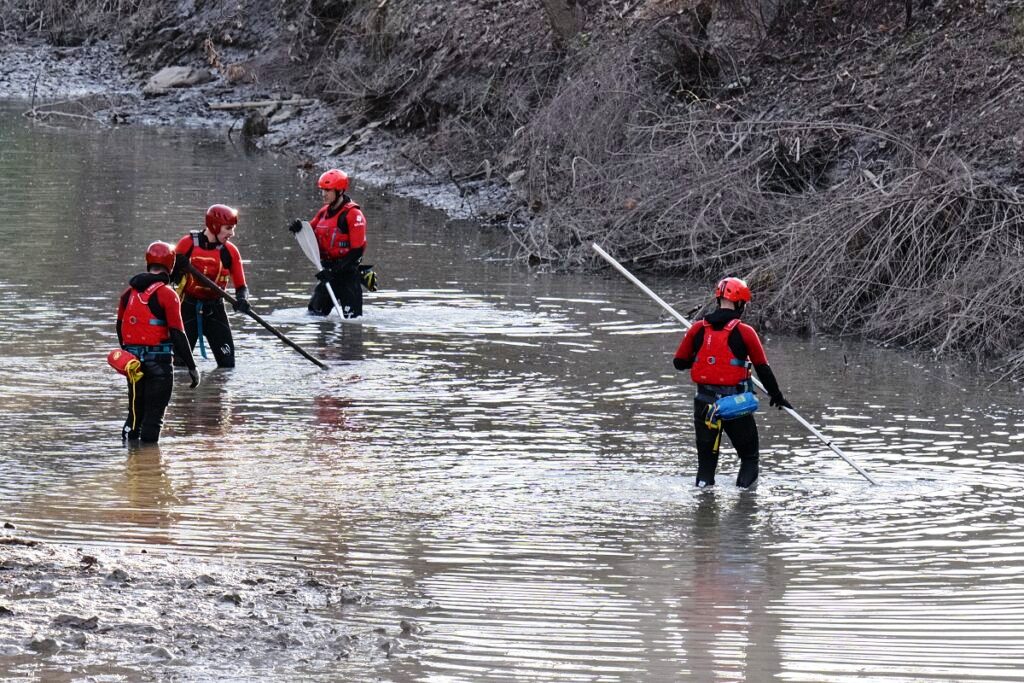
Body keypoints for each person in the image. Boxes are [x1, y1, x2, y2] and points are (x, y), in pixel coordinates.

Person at [672, 277, 792, 489]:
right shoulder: (745, 332)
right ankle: (745, 509)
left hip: (704, 404)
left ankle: (703, 507)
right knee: (749, 458)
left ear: (719, 300)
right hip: (735, 404)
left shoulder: (697, 329)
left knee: (706, 467)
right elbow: (763, 369)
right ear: (740, 304)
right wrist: (777, 396)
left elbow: (679, 363)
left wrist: (705, 358)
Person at [116, 241, 200, 443]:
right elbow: (178, 333)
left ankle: (129, 457)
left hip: (133, 366)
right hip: (159, 366)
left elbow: (120, 328)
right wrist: (192, 367)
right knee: (153, 420)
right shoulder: (167, 294)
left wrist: (129, 355)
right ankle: (147, 468)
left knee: (134, 416)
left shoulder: (128, 293)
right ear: (170, 265)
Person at [171, 204, 250, 367]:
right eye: (228, 228)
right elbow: (169, 279)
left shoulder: (231, 252)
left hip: (216, 310)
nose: (232, 233)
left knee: (228, 366)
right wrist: (177, 267)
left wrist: (242, 299)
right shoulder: (187, 244)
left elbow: (241, 286)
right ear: (215, 226)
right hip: (188, 309)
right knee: (179, 367)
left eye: (233, 228)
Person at [288, 168, 367, 318]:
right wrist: (298, 228)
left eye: (328, 190)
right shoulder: (323, 212)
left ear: (340, 191)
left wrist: (334, 271)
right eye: (322, 190)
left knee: (352, 322)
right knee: (313, 315)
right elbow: (309, 234)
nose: (324, 194)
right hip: (328, 274)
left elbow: (357, 250)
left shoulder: (354, 215)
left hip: (347, 275)